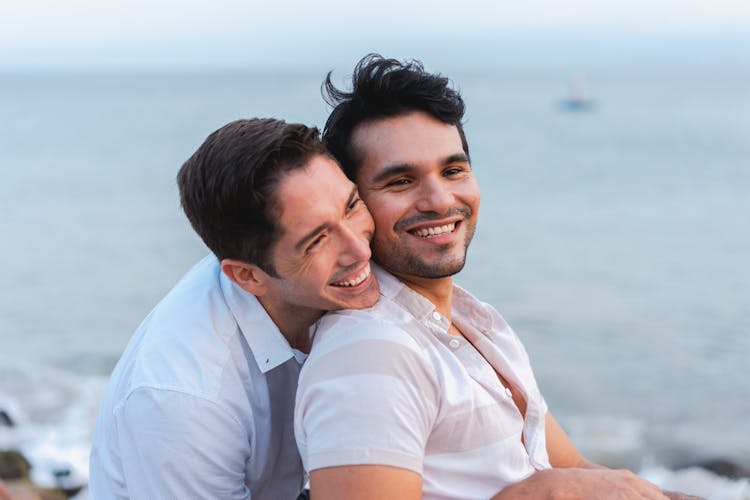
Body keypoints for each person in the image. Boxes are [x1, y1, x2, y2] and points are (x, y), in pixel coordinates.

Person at [294, 55, 699, 500]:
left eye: (453, 170)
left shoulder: (475, 321)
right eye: (401, 181)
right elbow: (557, 483)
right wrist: (537, 492)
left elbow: (577, 470)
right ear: (353, 204)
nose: (439, 199)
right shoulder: (368, 354)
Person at [89, 118, 379, 499]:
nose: (360, 250)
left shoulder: (312, 286)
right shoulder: (186, 400)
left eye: (352, 205)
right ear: (247, 276)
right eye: (316, 241)